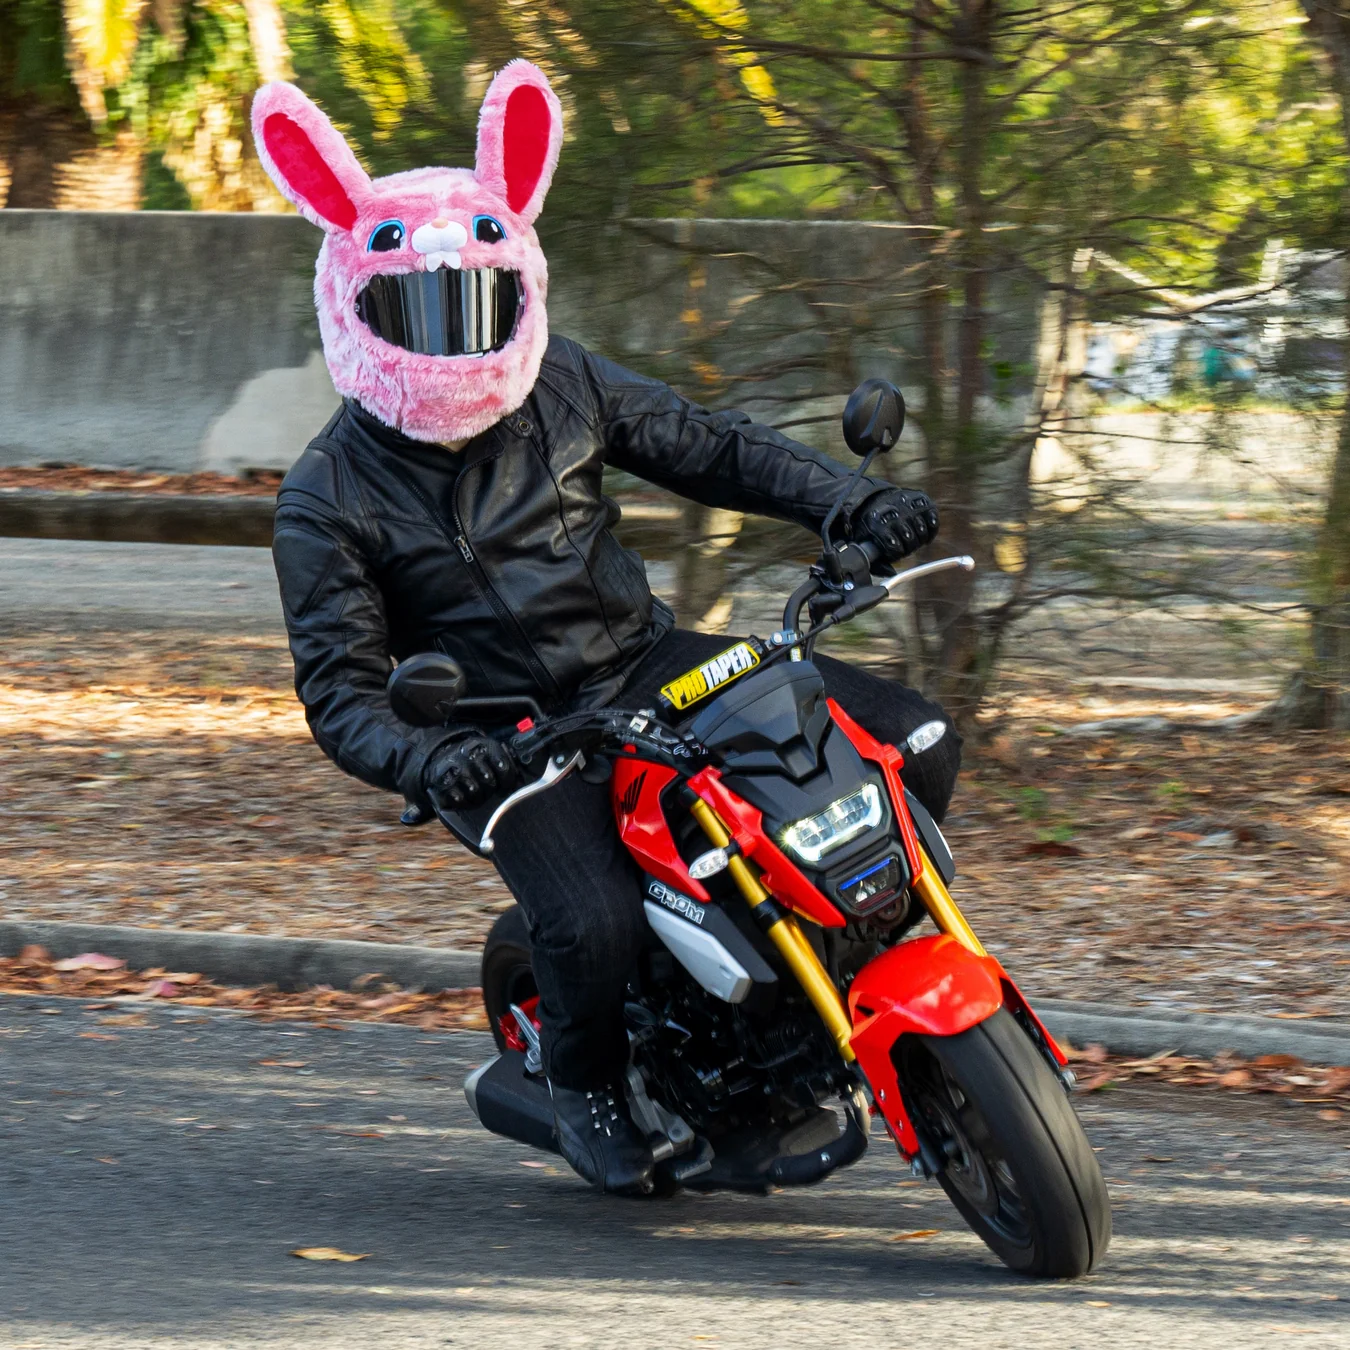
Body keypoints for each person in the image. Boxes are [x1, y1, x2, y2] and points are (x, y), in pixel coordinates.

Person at [253, 62, 959, 1196]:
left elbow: (708, 445)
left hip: (645, 660)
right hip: (503, 729)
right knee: (591, 923)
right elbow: (340, 691)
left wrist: (850, 501)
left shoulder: (565, 382)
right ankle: (576, 1081)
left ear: (520, 287)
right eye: (419, 313)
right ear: (354, 310)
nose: (454, 337)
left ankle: (824, 984)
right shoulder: (325, 494)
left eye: (476, 303)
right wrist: (437, 754)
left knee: (914, 743)